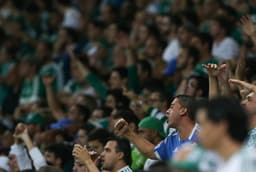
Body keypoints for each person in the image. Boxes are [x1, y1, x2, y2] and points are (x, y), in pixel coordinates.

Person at [114, 95, 199, 161]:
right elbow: (151, 152)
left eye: (172, 107)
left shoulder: (203, 133)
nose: (167, 111)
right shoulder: (172, 139)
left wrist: (212, 78)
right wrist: (128, 133)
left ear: (183, 110)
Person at [196, 97, 256, 172]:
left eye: (203, 125)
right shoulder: (209, 161)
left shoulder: (249, 164)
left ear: (221, 126)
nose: (198, 134)